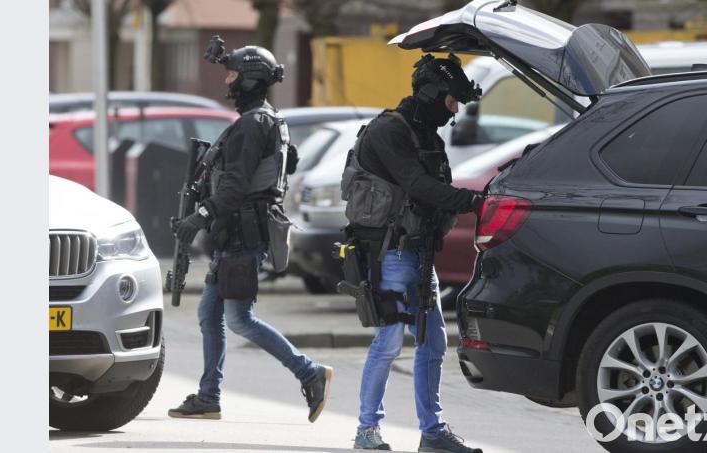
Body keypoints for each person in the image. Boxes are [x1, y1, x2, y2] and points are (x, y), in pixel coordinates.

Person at [168, 43, 332, 423]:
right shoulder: (270, 120)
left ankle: (309, 372)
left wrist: (199, 217)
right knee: (209, 314)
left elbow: (236, 186)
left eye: (233, 74)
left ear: (251, 79)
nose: (228, 81)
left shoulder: (251, 125)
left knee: (239, 318)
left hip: (243, 235)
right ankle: (209, 396)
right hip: (238, 232)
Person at [342, 53, 484, 452]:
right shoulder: (389, 130)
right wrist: (473, 201)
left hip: (420, 255)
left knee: (433, 343)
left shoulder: (428, 136)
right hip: (390, 253)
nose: (453, 110)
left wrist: (466, 201)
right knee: (388, 342)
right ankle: (366, 431)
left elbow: (435, 191)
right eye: (451, 100)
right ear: (432, 93)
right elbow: (416, 183)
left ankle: (432, 433)